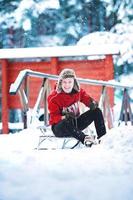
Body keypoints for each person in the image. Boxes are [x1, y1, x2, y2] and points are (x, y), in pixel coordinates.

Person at [48, 68, 106, 147]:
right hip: (60, 128)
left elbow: (85, 97)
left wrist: (91, 103)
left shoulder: (77, 92)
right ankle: (85, 139)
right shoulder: (54, 98)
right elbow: (53, 118)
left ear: (74, 82)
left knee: (96, 111)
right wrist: (64, 117)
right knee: (66, 121)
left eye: (70, 82)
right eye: (64, 82)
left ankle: (103, 137)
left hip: (75, 124)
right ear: (60, 83)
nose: (67, 85)